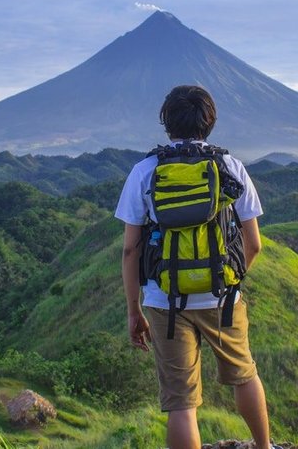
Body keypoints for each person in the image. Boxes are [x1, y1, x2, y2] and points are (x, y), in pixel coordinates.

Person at [116, 85, 275, 449]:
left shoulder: (145, 170)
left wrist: (133, 309)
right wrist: (228, 281)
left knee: (181, 404)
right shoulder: (230, 166)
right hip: (222, 299)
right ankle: (264, 447)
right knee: (244, 376)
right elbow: (254, 244)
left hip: (165, 299)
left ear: (166, 122)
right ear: (210, 122)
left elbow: (129, 250)